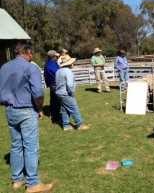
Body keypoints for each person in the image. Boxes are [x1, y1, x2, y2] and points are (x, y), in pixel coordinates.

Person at [0, 42, 53, 192]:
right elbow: (38, 92)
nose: (33, 56)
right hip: (26, 109)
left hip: (9, 110)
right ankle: (33, 183)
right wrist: (40, 108)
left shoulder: (4, 67)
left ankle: (17, 180)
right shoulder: (31, 67)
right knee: (31, 147)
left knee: (16, 145)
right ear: (28, 52)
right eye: (33, 53)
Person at [55, 55, 89, 131]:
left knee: (64, 109)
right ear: (69, 63)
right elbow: (69, 84)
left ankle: (66, 126)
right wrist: (72, 93)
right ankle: (80, 125)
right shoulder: (68, 71)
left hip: (59, 93)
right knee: (74, 108)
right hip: (66, 93)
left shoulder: (58, 71)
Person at [44, 50, 61, 123]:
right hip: (55, 84)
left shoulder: (49, 63)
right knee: (56, 101)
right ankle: (56, 118)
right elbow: (57, 73)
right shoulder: (51, 64)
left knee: (53, 100)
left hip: (52, 84)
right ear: (53, 57)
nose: (57, 57)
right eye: (56, 56)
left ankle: (52, 113)